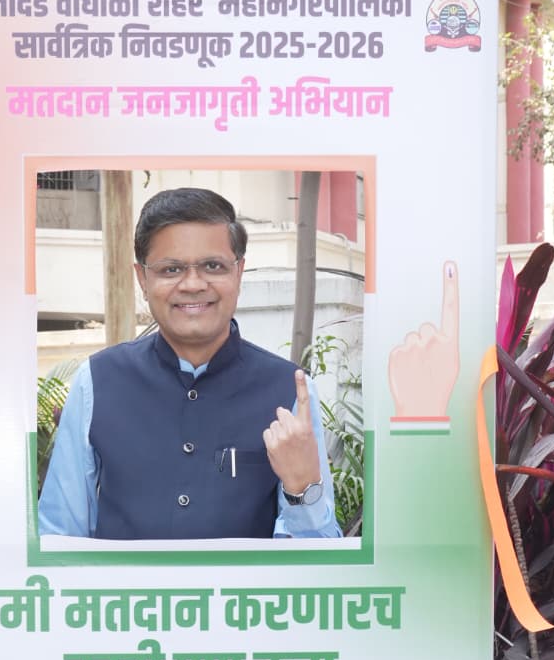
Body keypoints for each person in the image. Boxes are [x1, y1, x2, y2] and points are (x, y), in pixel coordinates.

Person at [38, 188, 341, 541]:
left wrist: (302, 487)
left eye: (213, 266)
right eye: (171, 269)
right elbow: (59, 537)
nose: (193, 284)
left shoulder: (289, 394)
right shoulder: (97, 382)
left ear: (239, 272)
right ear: (143, 279)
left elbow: (320, 557)